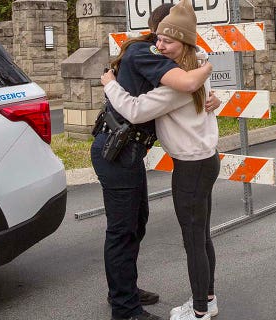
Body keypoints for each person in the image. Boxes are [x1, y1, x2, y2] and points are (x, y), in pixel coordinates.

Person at [90, 4, 213, 320]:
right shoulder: (146, 54)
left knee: (136, 223)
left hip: (131, 150)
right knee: (123, 229)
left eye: (166, 41)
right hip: (117, 150)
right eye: (158, 38)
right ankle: (125, 307)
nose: (160, 47)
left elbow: (189, 85)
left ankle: (124, 289)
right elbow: (180, 88)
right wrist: (110, 84)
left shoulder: (175, 61)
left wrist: (210, 89)